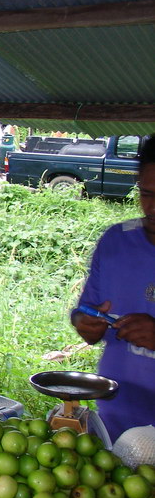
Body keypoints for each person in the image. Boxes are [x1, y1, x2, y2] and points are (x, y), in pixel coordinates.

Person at [72, 136, 155, 443]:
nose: (153, 207)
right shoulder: (117, 242)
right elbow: (86, 310)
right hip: (116, 415)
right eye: (146, 193)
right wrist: (85, 323)